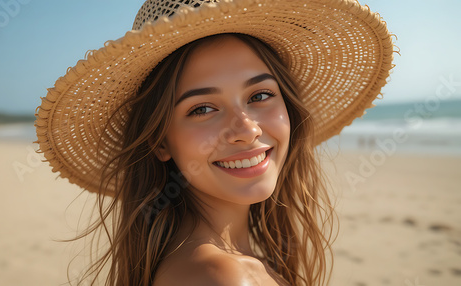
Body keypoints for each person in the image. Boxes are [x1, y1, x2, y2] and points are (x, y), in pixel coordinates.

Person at [35, 0, 395, 285]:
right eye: (203, 108)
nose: (245, 129)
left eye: (260, 95)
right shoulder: (222, 277)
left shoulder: (217, 263)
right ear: (161, 142)